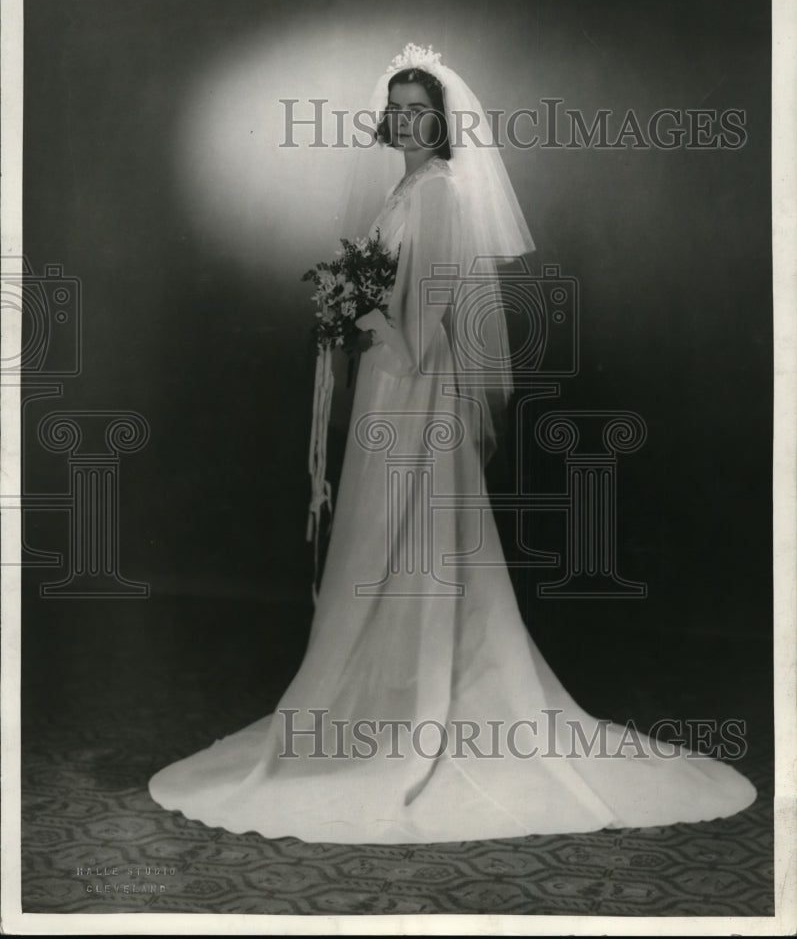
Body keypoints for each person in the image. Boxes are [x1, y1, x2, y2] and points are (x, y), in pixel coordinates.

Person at [148, 45, 757, 843]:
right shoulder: (404, 189)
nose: (405, 121)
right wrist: (353, 307)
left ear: (441, 123)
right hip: (389, 384)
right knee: (382, 536)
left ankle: (418, 700)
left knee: (412, 536)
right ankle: (374, 693)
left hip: (413, 388)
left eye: (418, 111)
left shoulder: (435, 193)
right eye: (396, 109)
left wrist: (357, 316)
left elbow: (423, 327)